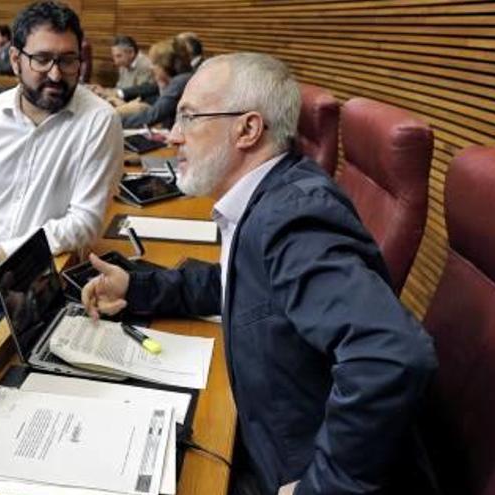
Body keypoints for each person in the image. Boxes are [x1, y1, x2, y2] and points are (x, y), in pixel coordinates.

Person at [81, 52, 438, 494]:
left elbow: (391, 353)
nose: (173, 136)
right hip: (268, 436)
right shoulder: (266, 199)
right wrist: (138, 286)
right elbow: (243, 285)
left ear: (247, 129)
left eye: (189, 118)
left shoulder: (292, 217)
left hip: (289, 468)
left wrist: (322, 487)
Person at [0, 0, 123, 359]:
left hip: (35, 291)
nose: (55, 73)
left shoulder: (99, 121)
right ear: (15, 59)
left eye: (67, 60)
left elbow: (85, 222)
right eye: (42, 59)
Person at [118, 37, 192, 129]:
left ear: (164, 64)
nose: (151, 68)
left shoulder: (180, 81)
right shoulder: (181, 79)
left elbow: (153, 116)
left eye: (154, 63)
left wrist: (115, 121)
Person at [91, 35, 153, 102]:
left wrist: (110, 94)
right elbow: (120, 89)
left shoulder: (145, 65)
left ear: (131, 52)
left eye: (119, 56)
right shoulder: (124, 64)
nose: (116, 62)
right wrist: (104, 91)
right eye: (114, 56)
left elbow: (137, 94)